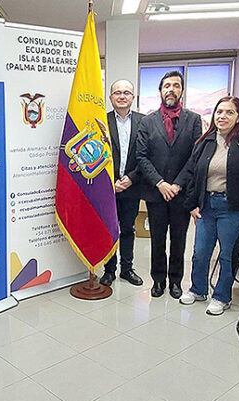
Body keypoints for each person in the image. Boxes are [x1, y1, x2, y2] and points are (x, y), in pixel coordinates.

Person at [179, 96, 239, 315]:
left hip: (233, 208)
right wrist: (192, 204)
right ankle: (198, 289)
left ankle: (222, 297)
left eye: (229, 112)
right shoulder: (205, 142)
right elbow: (192, 175)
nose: (222, 116)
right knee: (200, 252)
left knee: (227, 255)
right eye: (219, 112)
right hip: (206, 206)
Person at [136, 70, 202, 299]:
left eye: (175, 85)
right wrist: (160, 183)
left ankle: (175, 281)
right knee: (157, 238)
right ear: (160, 91)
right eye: (166, 86)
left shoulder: (193, 120)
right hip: (156, 194)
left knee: (179, 239)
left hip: (181, 194)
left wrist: (177, 185)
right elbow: (141, 157)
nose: (170, 89)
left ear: (182, 91)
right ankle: (157, 280)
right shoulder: (147, 121)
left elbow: (196, 156)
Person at [99, 79, 145, 287]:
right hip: (107, 188)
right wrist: (111, 182)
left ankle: (127, 269)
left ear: (133, 97)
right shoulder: (101, 121)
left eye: (127, 92)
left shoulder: (144, 122)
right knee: (109, 230)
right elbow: (96, 155)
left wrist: (131, 178)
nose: (122, 96)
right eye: (117, 92)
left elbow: (147, 156)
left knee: (128, 229)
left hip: (132, 186)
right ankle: (109, 270)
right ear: (110, 97)